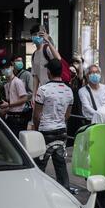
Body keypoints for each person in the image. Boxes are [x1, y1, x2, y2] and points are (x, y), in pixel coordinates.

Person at [33, 59, 73, 191]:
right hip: (62, 132)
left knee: (39, 166)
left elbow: (37, 115)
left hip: (45, 132)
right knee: (61, 167)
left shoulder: (43, 90)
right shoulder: (68, 91)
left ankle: (38, 192)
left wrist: (38, 128)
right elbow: (67, 115)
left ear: (48, 72)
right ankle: (66, 194)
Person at [0, 58, 30, 137]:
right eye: (3, 69)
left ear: (12, 67)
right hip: (10, 116)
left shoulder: (17, 82)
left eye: (7, 67)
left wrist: (8, 104)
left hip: (18, 118)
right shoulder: (6, 84)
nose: (5, 70)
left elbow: (24, 99)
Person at [30, 24, 61, 99]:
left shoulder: (47, 49)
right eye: (34, 35)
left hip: (55, 90)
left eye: (39, 34)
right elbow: (36, 76)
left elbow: (58, 59)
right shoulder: (33, 55)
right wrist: (34, 95)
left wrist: (48, 41)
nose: (36, 36)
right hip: (44, 91)